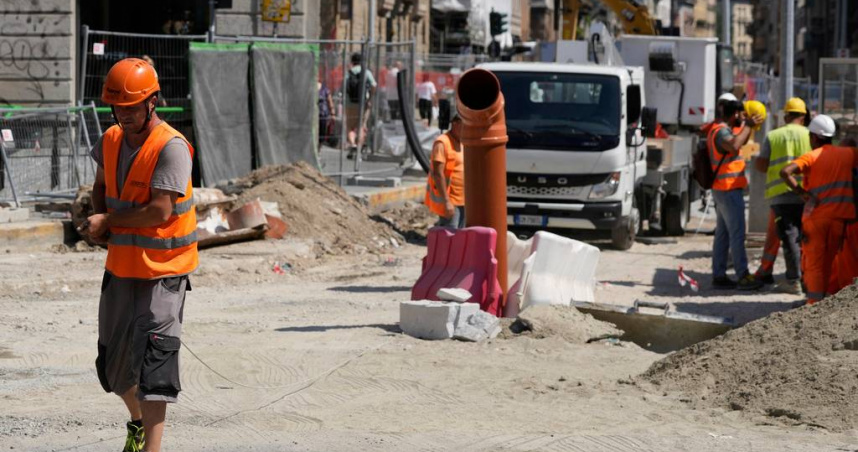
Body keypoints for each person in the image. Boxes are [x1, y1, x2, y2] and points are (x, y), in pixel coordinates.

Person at [81, 58, 197, 452]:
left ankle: (153, 448)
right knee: (112, 367)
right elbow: (99, 183)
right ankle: (138, 423)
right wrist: (95, 216)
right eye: (118, 108)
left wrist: (109, 220)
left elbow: (160, 211)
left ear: (152, 102)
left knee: (155, 365)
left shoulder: (172, 147)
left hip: (164, 272)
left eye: (132, 107)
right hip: (121, 267)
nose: (125, 115)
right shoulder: (111, 138)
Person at [781, 115, 858, 305]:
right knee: (834, 262)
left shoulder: (813, 156)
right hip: (840, 220)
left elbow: (785, 172)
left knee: (815, 265)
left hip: (816, 220)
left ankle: (813, 306)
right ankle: (841, 305)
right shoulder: (848, 154)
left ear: (814, 137)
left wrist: (802, 193)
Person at [753, 97, 812, 294]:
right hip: (806, 194)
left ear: (786, 116)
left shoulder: (773, 136)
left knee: (789, 236)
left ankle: (793, 280)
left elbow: (761, 165)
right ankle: (803, 275)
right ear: (803, 117)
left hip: (781, 195)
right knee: (803, 237)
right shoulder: (810, 135)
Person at [708, 100, 764, 290]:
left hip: (725, 189)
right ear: (735, 114)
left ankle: (719, 275)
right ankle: (743, 276)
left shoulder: (722, 129)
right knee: (737, 234)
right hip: (728, 190)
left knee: (723, 235)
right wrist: (748, 125)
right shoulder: (722, 132)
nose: (744, 118)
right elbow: (734, 145)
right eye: (742, 114)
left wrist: (747, 126)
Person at [425, 115, 465, 228]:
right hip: (451, 201)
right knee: (450, 237)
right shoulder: (442, 143)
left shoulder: (463, 142)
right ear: (455, 123)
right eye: (465, 124)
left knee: (461, 238)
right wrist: (446, 202)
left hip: (464, 200)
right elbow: (438, 174)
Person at [345, 52, 376, 158]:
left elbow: (344, 86)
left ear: (352, 61)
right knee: (361, 126)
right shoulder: (366, 72)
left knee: (350, 127)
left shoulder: (349, 72)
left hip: (350, 102)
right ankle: (358, 148)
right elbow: (373, 85)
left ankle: (352, 144)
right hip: (364, 102)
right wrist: (370, 97)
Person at [318, 80, 335, 146]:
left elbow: (330, 102)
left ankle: (318, 150)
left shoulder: (325, 89)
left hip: (323, 115)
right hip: (312, 116)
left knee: (321, 135)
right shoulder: (310, 88)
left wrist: (332, 114)